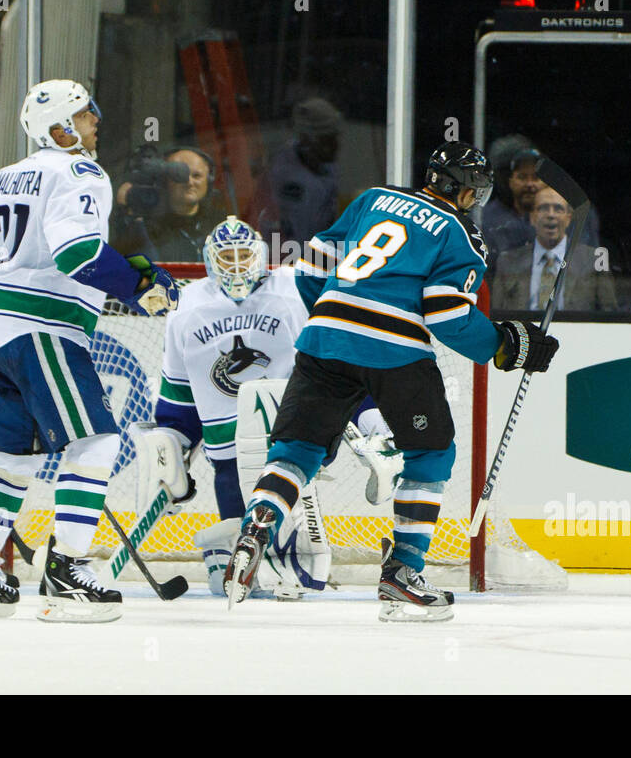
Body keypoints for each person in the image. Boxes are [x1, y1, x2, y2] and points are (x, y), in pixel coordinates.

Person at [224, 142, 560, 621]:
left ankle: (258, 525)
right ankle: (402, 572)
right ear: (467, 193)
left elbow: (312, 263)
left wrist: (335, 316)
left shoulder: (373, 198)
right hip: (393, 351)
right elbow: (446, 314)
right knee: (431, 451)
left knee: (296, 449)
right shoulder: (462, 236)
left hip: (323, 338)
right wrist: (505, 346)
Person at [0, 80, 179, 621]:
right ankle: (66, 571)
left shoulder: (12, 172)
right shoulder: (80, 172)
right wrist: (138, 287)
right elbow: (76, 254)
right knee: (95, 443)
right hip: (39, 324)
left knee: (14, 456)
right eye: (86, 114)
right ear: (62, 129)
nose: (96, 122)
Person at [140, 215, 395, 597]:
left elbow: (340, 359)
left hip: (294, 431)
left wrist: (371, 418)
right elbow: (179, 391)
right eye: (228, 257)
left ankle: (269, 556)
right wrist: (171, 444)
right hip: (227, 444)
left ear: (261, 255)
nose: (238, 265)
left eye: (245, 254)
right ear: (210, 260)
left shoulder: (294, 289)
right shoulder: (186, 305)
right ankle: (224, 553)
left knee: (305, 573)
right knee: (236, 574)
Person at [492, 184, 617, 312]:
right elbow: (495, 313)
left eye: (558, 209)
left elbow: (609, 312)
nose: (551, 215)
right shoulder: (508, 261)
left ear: (568, 218)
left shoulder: (593, 259)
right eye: (543, 208)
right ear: (532, 217)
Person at [261, 97, 342, 249]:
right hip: (292, 259)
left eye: (336, 137)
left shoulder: (326, 166)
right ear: (308, 140)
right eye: (328, 139)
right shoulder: (286, 175)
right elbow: (300, 239)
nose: (336, 145)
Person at [479, 137, 541, 260]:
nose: (530, 184)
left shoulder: (558, 215)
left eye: (535, 176)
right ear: (502, 178)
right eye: (522, 176)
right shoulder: (482, 221)